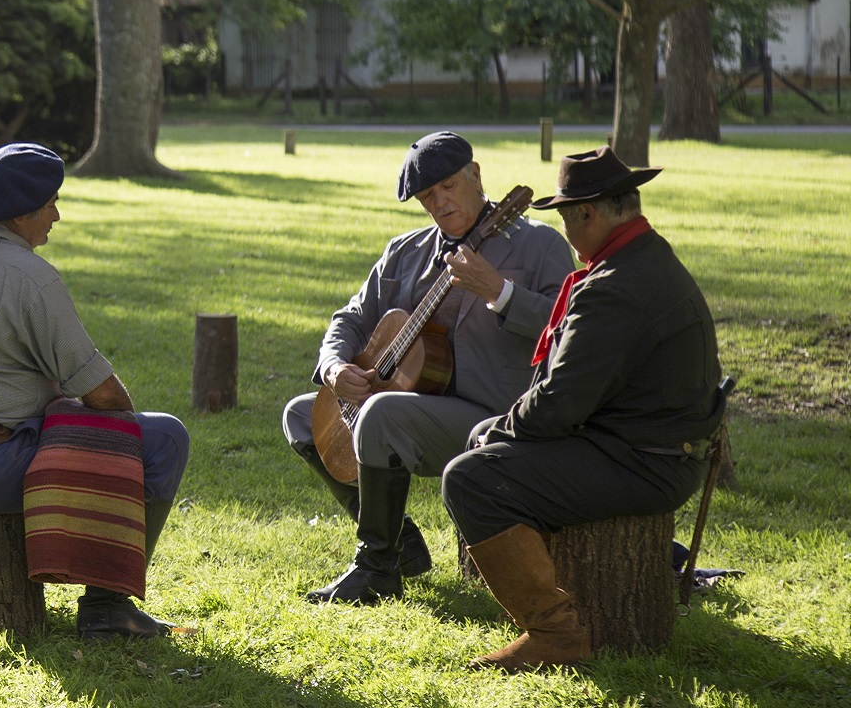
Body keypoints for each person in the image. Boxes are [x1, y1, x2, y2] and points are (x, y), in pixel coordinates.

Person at [0, 142, 190, 639]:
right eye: (49, 204)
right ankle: (109, 606)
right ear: (21, 215)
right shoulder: (30, 277)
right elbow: (103, 395)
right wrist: (110, 433)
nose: (57, 215)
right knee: (163, 437)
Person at [442, 147, 723, 671]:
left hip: (645, 462)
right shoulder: (644, 258)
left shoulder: (614, 286)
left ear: (587, 214)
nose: (568, 237)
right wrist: (499, 430)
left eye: (568, 222)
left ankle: (555, 634)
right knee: (484, 441)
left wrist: (502, 432)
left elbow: (557, 406)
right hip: (650, 447)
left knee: (469, 478)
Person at [284, 131, 572, 604]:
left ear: (476, 176)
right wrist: (334, 365)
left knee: (380, 416)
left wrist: (499, 292)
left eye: (448, 188)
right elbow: (351, 319)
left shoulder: (537, 245)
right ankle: (399, 542)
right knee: (302, 414)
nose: (439, 204)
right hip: (420, 410)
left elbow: (567, 328)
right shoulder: (404, 252)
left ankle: (375, 567)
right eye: (426, 197)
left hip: (496, 416)